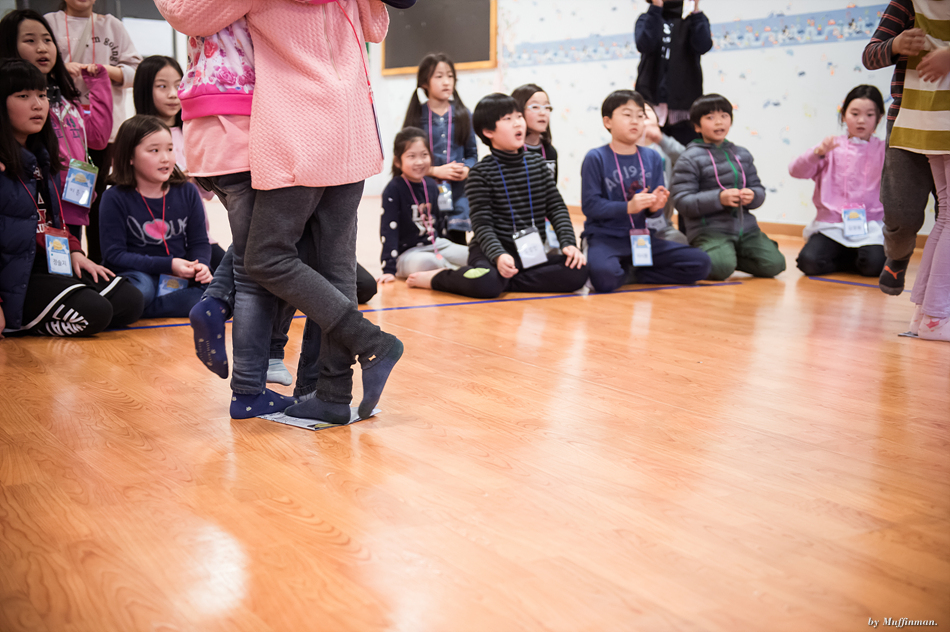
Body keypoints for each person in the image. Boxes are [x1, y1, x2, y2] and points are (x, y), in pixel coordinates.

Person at [157, 0, 403, 425]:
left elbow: (188, 13)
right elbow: (376, 28)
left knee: (264, 258)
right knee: (336, 268)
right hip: (354, 124)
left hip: (299, 126)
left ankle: (369, 341)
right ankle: (330, 393)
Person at [0, 59, 141, 338]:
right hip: (16, 275)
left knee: (130, 300)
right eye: (23, 96)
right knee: (96, 312)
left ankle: (56, 304)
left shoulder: (44, 157)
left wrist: (75, 251)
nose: (38, 105)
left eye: (42, 95)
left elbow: (54, 221)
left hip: (51, 263)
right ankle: (23, 324)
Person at [406, 93, 588, 298]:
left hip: (529, 252)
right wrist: (499, 255)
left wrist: (568, 243)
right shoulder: (480, 173)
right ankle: (439, 277)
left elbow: (557, 208)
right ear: (488, 131)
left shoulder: (537, 164)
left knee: (578, 271)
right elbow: (482, 225)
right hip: (490, 253)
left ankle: (505, 283)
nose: (517, 123)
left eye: (519, 116)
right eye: (508, 119)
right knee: (486, 282)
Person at [0, 10, 112, 245]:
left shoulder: (66, 99)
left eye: (47, 39)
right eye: (30, 40)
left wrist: (99, 83)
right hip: (35, 201)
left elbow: (98, 137)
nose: (42, 48)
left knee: (70, 254)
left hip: (73, 199)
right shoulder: (14, 106)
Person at [581, 90, 710, 293]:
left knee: (700, 263)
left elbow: (654, 214)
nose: (635, 121)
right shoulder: (595, 157)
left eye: (640, 116)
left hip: (641, 238)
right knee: (604, 279)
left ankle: (633, 273)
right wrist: (628, 207)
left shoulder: (652, 157)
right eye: (627, 115)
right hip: (605, 238)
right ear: (607, 121)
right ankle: (624, 269)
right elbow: (590, 206)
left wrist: (655, 207)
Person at [45, 0, 142, 263]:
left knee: (98, 198)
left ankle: (100, 262)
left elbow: (137, 72)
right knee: (63, 199)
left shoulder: (112, 25)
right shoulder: (50, 23)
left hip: (104, 129)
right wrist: (60, 69)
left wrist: (105, 71)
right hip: (61, 127)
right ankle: (68, 259)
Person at [98, 115, 211, 319]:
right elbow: (114, 255)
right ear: (130, 157)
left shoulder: (187, 191)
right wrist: (169, 265)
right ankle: (140, 304)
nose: (165, 158)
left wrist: (200, 264)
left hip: (178, 273)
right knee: (143, 290)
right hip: (136, 273)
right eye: (154, 150)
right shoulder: (114, 197)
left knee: (217, 287)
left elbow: (200, 242)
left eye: (170, 149)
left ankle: (140, 310)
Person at [862, 0, 938, 294]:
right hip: (907, 121)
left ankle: (938, 282)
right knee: (900, 211)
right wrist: (895, 45)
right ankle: (898, 255)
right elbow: (870, 55)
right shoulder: (907, 3)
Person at [671, 94, 786, 281]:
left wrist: (753, 195)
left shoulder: (742, 154)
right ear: (697, 127)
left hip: (746, 229)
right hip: (709, 231)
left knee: (775, 265)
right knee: (720, 269)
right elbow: (682, 201)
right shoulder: (688, 158)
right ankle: (713, 255)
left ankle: (728, 255)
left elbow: (758, 189)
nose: (719, 122)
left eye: (724, 116)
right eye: (710, 117)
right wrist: (719, 199)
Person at [889, 0, 950, 341]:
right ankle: (936, 317)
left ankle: (923, 315)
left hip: (926, 115)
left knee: (946, 214)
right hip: (942, 114)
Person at [132, 54, 226, 271]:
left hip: (198, 238)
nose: (173, 94)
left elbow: (208, 194)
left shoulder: (193, 131)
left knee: (232, 276)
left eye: (178, 85)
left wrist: (200, 175)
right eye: (162, 86)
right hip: (151, 239)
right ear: (144, 89)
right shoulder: (134, 134)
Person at [789, 85, 887, 277]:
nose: (861, 120)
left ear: (879, 118)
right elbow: (796, 171)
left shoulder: (884, 150)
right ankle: (849, 257)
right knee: (808, 263)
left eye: (869, 115)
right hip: (832, 226)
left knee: (874, 266)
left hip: (869, 226)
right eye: (855, 113)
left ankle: (851, 257)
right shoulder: (830, 146)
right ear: (843, 116)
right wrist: (817, 153)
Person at [401, 53, 478, 244]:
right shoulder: (416, 116)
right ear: (424, 83)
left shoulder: (464, 114)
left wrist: (467, 169)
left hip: (459, 192)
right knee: (429, 242)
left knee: (458, 242)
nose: (446, 82)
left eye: (450, 76)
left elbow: (472, 155)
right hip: (425, 191)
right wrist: (434, 170)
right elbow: (405, 159)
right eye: (439, 76)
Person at [378, 127, 469, 283]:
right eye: (411, 156)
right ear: (398, 161)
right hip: (409, 254)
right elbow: (389, 230)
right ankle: (455, 273)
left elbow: (439, 222)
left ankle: (448, 272)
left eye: (424, 155)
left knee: (471, 254)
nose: (419, 162)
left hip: (436, 245)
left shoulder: (431, 185)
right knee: (428, 263)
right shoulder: (394, 189)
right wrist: (389, 269)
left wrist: (446, 248)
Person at [634, 0, 712, 146]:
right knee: (648, 154)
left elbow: (703, 45)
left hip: (684, 105)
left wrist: (695, 9)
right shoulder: (646, 18)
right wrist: (656, 8)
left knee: (686, 153)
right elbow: (644, 44)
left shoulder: (692, 20)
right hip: (650, 101)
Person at [511, 83, 562, 252]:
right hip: (516, 224)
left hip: (543, 222)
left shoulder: (550, 152)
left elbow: (552, 194)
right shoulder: (511, 151)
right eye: (535, 107)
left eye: (547, 107)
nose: (543, 112)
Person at [639, 101, 689, 244]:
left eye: (645, 113)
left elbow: (689, 159)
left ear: (658, 120)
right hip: (628, 224)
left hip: (661, 224)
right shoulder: (622, 150)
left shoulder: (665, 150)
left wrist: (661, 139)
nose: (641, 117)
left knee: (685, 247)